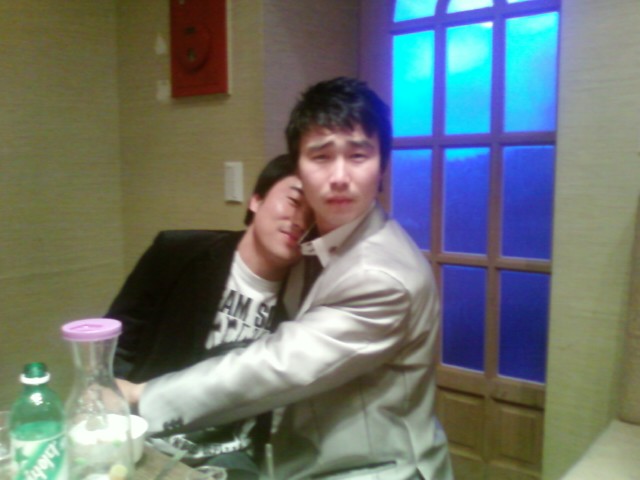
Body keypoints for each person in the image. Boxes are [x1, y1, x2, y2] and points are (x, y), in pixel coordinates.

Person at [121, 77, 453, 479]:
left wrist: (140, 396)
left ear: (382, 166)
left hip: (374, 469)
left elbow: (276, 366)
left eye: (358, 155)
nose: (339, 176)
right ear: (298, 168)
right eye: (321, 156)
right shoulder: (317, 244)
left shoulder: (380, 275)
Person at [106, 154, 312, 478]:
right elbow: (120, 341)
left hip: (231, 456)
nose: (300, 221)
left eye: (313, 216)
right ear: (256, 200)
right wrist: (106, 391)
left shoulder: (304, 300)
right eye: (294, 201)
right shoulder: (179, 253)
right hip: (148, 435)